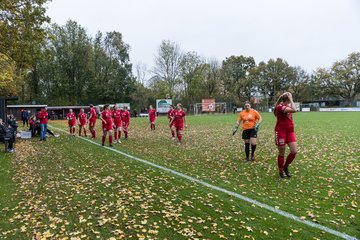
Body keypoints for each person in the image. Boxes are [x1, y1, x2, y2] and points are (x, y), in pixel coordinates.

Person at [274, 92, 297, 178]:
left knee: (294, 151)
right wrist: (291, 99)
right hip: (281, 131)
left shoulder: (287, 106)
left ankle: (285, 167)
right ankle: (280, 171)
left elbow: (293, 109)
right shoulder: (280, 107)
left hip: (290, 131)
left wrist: (290, 100)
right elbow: (294, 110)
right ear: (287, 99)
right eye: (289, 99)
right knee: (281, 152)